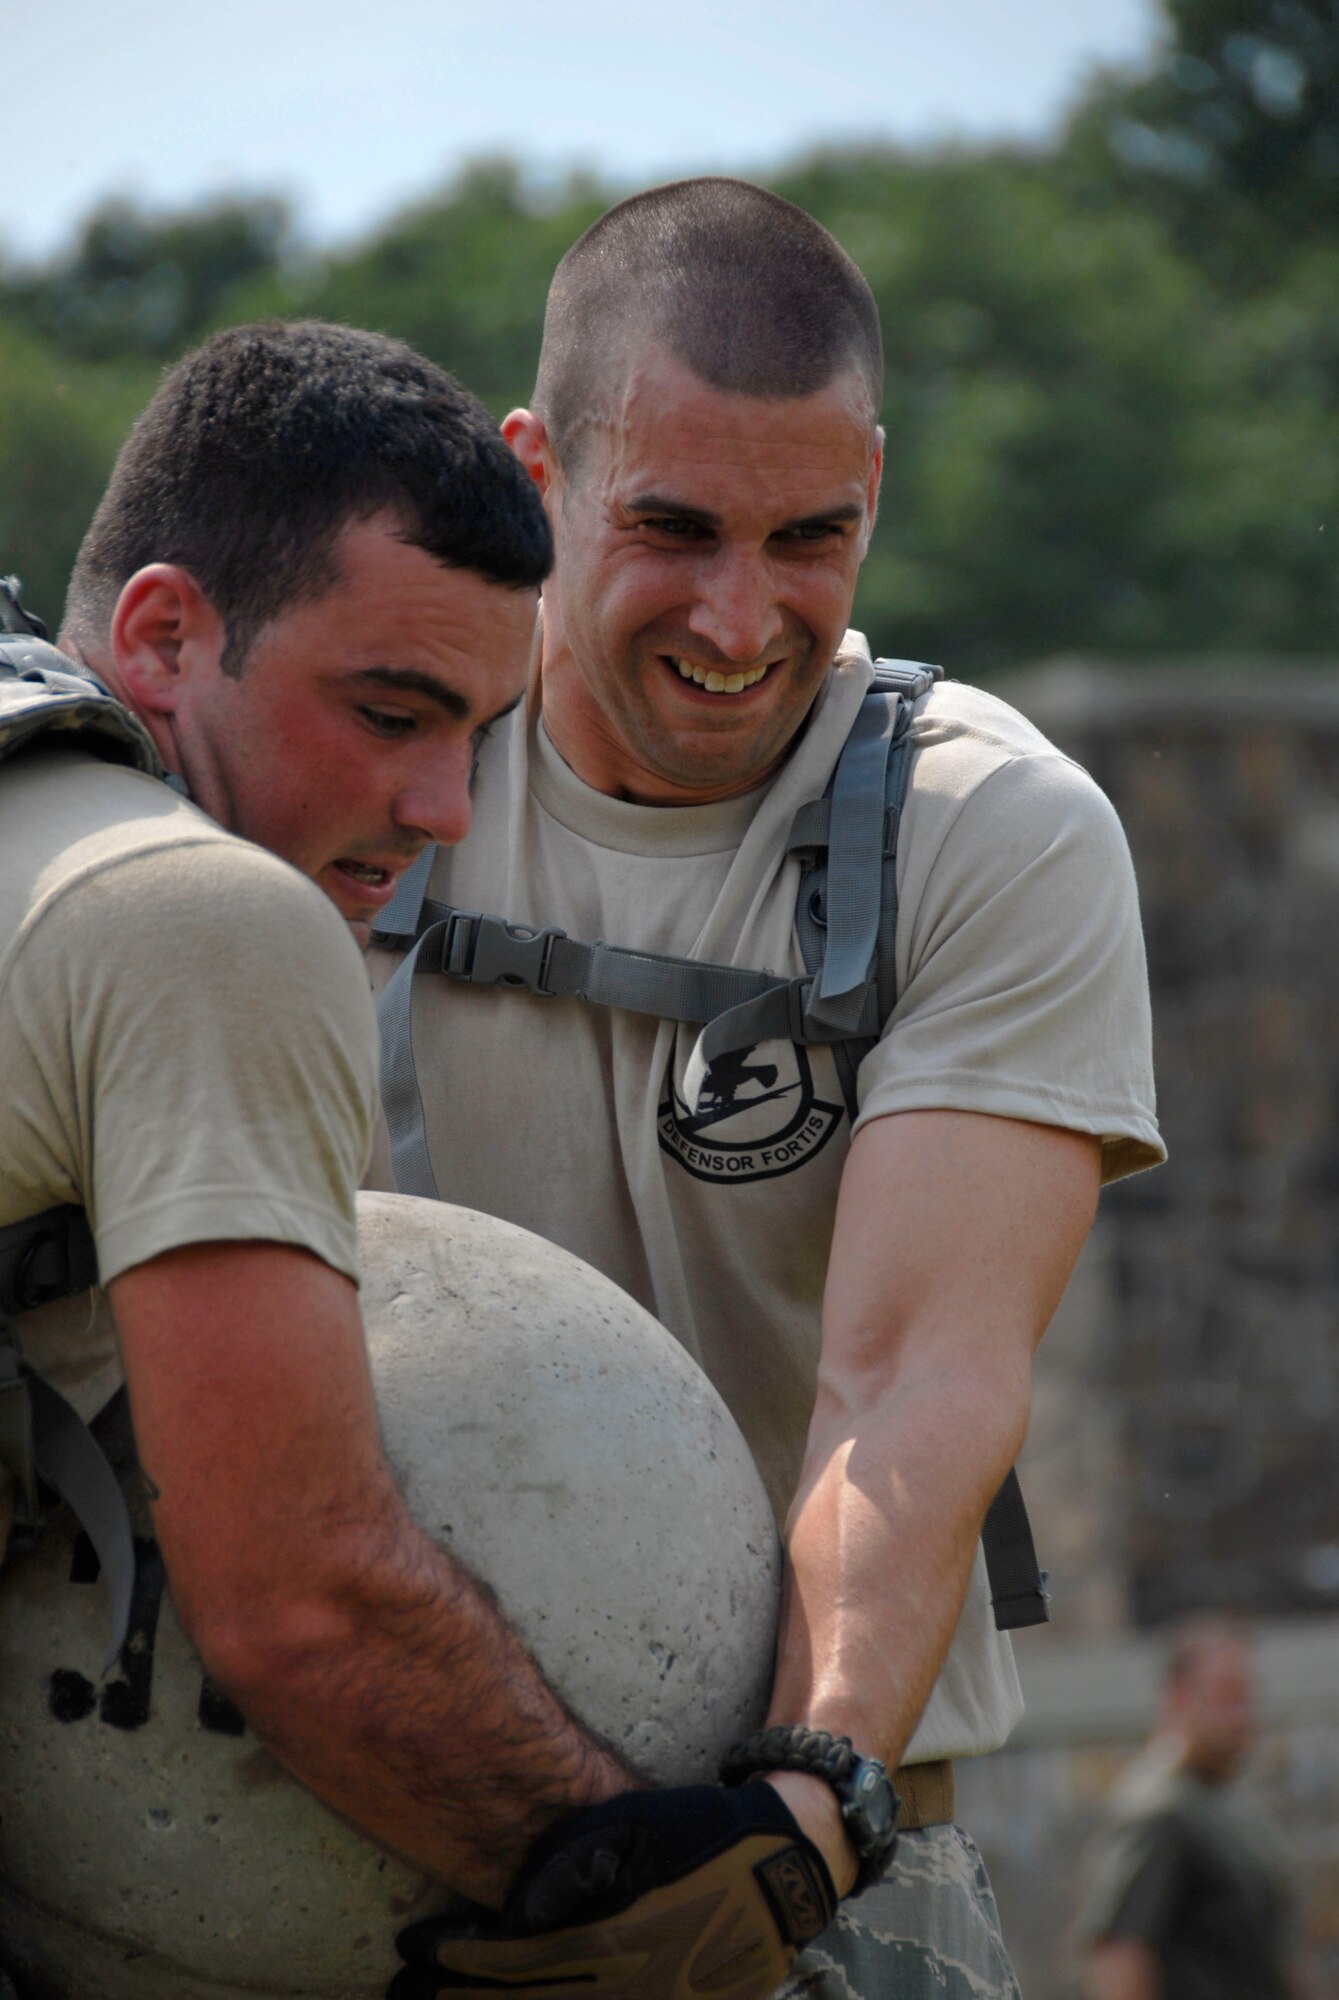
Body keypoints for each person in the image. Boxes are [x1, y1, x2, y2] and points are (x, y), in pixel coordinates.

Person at [365, 176, 1166, 1997]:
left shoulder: (989, 829)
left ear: (873, 482)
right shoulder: (363, 771)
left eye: (810, 535)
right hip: (358, 1854)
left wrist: (787, 1823)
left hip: (829, 1852)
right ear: (533, 476)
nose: (739, 620)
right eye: (670, 527)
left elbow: (904, 1380)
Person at [0, 318, 644, 1915]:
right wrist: (633, 1890)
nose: (443, 814)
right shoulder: (200, 913)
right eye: (389, 712)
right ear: (160, 639)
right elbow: (302, 1607)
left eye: (480, 736)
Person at [1076, 1621, 1308, 2000]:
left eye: (1249, 1697)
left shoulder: (1235, 1806)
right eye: (1228, 1696)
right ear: (1179, 1698)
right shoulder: (1156, 1810)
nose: (1243, 1715)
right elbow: (1119, 1957)